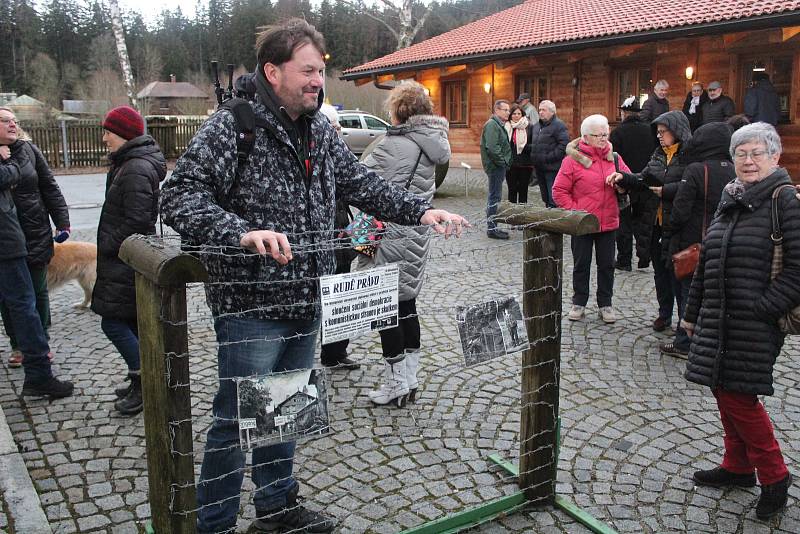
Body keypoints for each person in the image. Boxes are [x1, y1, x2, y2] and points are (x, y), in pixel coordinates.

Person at [159, 19, 467, 534]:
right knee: (236, 421)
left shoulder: (321, 129)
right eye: (307, 71)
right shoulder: (232, 125)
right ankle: (211, 524)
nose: (316, 81)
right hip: (250, 304)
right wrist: (241, 232)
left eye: (320, 71)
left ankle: (277, 509)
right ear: (272, 71)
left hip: (307, 300)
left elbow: (362, 183)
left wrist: (420, 211)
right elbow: (179, 195)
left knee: (287, 408)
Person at [682, 122, 799, 520]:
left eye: (756, 153)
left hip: (753, 320)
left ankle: (774, 476)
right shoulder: (732, 196)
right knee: (721, 387)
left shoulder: (785, 200)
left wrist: (763, 308)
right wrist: (693, 313)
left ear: (774, 156)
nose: (748, 161)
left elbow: (798, 270)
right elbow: (707, 259)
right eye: (741, 154)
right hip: (717, 316)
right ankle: (736, 466)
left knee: (740, 397)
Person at [356, 80, 450, 406]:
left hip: (390, 235)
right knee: (406, 304)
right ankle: (409, 379)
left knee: (386, 308)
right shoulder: (432, 143)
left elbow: (360, 184)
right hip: (417, 234)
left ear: (399, 110)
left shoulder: (393, 145)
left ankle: (395, 384)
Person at [91, 106, 166, 416]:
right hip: (124, 257)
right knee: (132, 323)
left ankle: (145, 378)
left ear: (122, 133)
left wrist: (108, 244)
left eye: (108, 131)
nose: (104, 137)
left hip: (126, 257)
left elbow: (136, 219)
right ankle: (144, 380)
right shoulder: (128, 164)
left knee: (113, 322)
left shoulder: (135, 168)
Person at [0, 132, 73, 398]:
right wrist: (8, 164)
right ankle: (33, 364)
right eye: (5, 120)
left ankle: (39, 353)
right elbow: (7, 176)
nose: (12, 125)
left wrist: (61, 221)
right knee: (19, 304)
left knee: (34, 295)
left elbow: (50, 187)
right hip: (8, 241)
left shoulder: (28, 150)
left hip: (30, 235)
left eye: (14, 121)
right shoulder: (9, 159)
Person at [611, 111, 692, 333]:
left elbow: (690, 186)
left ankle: (684, 321)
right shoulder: (658, 154)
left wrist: (667, 191)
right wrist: (623, 178)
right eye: (657, 132)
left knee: (679, 275)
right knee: (660, 273)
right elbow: (643, 178)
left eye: (663, 132)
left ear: (676, 132)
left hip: (678, 224)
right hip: (654, 223)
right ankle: (664, 314)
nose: (659, 136)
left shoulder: (690, 157)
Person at [661, 122, 735, 358]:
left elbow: (680, 211)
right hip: (726, 241)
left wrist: (670, 233)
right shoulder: (735, 169)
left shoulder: (696, 169)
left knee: (689, 293)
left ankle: (684, 342)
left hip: (695, 242)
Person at [553, 114, 630, 324]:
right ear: (585, 137)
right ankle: (579, 302)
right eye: (598, 135)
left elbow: (629, 181)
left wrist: (621, 184)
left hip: (608, 222)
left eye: (606, 134)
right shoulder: (572, 160)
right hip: (583, 224)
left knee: (607, 265)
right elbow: (559, 191)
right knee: (581, 264)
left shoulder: (614, 158)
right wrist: (577, 212)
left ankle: (605, 303)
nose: (603, 139)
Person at [317, 103, 360, 371]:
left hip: (341, 230)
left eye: (337, 126)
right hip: (323, 235)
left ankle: (335, 352)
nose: (336, 131)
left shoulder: (339, 153)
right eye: (332, 126)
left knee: (340, 295)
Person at [609, 96, 657, 271]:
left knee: (624, 223)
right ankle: (644, 258)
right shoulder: (650, 131)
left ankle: (624, 260)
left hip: (626, 182)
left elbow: (612, 160)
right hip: (646, 181)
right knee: (644, 222)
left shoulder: (618, 133)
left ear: (624, 113)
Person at [481, 99, 512, 239]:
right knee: (494, 196)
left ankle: (493, 226)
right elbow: (492, 148)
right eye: (505, 110)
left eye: (508, 110)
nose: (508, 112)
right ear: (497, 110)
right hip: (495, 167)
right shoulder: (492, 125)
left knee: (495, 196)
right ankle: (492, 228)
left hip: (497, 166)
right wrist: (503, 162)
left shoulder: (498, 124)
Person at [531, 99, 569, 208]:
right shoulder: (536, 126)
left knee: (553, 198)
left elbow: (563, 146)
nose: (541, 112)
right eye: (539, 110)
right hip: (539, 168)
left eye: (544, 110)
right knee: (545, 197)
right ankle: (547, 220)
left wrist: (548, 158)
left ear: (552, 112)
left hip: (552, 168)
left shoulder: (559, 125)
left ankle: (554, 222)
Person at [504, 104, 534, 203]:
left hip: (525, 164)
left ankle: (522, 214)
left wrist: (524, 146)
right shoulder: (506, 126)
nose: (516, 116)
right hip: (511, 164)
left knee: (523, 190)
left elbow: (534, 144)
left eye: (519, 113)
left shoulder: (529, 126)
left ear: (522, 114)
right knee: (512, 190)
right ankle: (511, 214)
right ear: (510, 115)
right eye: (514, 114)